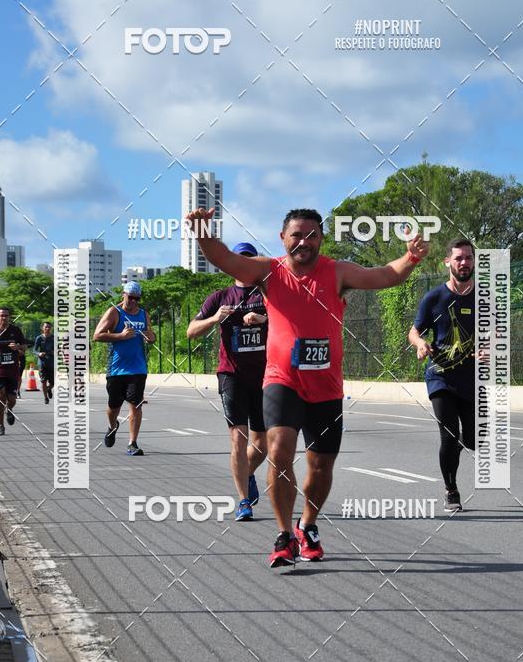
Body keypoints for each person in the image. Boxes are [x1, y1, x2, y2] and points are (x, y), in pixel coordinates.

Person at [185, 207, 430, 568]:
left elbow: (384, 276)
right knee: (280, 453)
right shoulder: (269, 272)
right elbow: (223, 258)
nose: (304, 241)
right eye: (297, 235)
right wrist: (203, 230)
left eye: (312, 235)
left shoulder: (337, 272)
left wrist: (411, 257)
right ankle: (284, 536)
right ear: (282, 238)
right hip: (282, 381)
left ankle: (308, 526)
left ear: (321, 240)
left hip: (327, 387)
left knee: (320, 467)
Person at [187, 243, 268, 521]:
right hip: (231, 374)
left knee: (262, 445)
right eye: (238, 259)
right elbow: (190, 331)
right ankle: (243, 500)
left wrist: (263, 318)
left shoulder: (267, 294)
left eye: (249, 259)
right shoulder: (220, 296)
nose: (243, 264)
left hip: (264, 376)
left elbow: (290, 321)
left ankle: (247, 474)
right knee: (238, 438)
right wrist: (214, 318)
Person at [408, 238, 476, 512]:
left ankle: (457, 449)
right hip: (441, 376)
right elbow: (414, 331)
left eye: (468, 258)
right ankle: (451, 490)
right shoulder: (434, 298)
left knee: (472, 440)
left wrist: (490, 349)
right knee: (448, 434)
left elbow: (496, 333)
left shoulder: (484, 297)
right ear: (447, 261)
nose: (464, 263)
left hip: (471, 377)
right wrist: (421, 343)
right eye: (458, 258)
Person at [93, 281, 156, 456]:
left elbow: (150, 336)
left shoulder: (144, 314)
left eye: (137, 298)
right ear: (124, 295)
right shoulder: (115, 312)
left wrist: (151, 337)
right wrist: (120, 336)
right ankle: (112, 426)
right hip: (116, 368)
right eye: (131, 298)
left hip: (137, 368)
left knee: (136, 404)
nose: (134, 302)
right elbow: (97, 335)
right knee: (114, 406)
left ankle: (132, 443)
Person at [0, 307, 26, 435]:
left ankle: (9, 409)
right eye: (2, 315)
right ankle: (0, 425)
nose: (4, 318)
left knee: (12, 399)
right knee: (0, 396)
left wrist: (17, 346)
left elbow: (24, 348)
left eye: (7, 316)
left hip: (12, 369)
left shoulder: (15, 330)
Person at [34, 322, 55, 404]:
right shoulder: (39, 338)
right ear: (42, 328)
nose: (48, 328)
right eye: (46, 327)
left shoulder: (54, 338)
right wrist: (39, 353)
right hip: (42, 363)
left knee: (53, 383)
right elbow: (34, 350)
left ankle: (49, 389)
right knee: (43, 381)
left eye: (49, 327)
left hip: (51, 362)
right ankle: (45, 397)